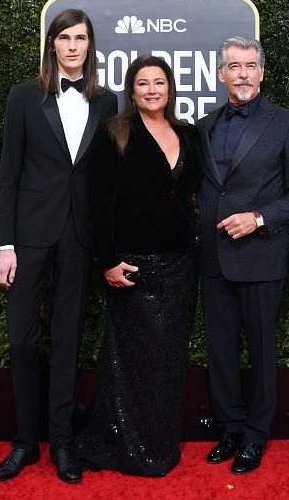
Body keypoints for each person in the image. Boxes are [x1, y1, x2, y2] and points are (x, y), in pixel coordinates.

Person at [0, 9, 117, 484]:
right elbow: (11, 172)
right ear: (52, 45)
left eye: (80, 38)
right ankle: (25, 442)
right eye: (64, 37)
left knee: (67, 344)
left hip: (80, 237)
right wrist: (6, 244)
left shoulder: (107, 101)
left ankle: (62, 442)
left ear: (89, 45)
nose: (72, 46)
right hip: (29, 236)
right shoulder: (24, 96)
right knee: (22, 340)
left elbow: (107, 180)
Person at [76, 54, 202, 477]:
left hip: (180, 265)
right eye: (143, 83)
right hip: (132, 266)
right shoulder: (116, 131)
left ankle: (161, 442)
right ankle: (125, 445)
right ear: (132, 91)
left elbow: (192, 194)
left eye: (159, 82)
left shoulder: (189, 133)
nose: (152, 90)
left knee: (168, 357)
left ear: (170, 89)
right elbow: (98, 201)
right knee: (129, 359)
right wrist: (108, 261)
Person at [196, 36, 289, 474]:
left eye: (250, 66)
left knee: (263, 352)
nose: (242, 74)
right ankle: (229, 427)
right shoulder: (203, 126)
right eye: (233, 66)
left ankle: (256, 435)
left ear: (262, 73)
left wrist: (260, 218)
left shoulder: (285, 123)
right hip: (212, 259)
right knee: (221, 350)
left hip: (262, 255)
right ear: (221, 73)